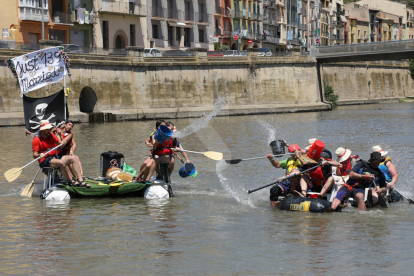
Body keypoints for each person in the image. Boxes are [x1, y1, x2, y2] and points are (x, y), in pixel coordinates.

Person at [32, 120, 89, 187]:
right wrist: (39, 155)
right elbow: (35, 155)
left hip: (55, 157)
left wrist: (62, 143)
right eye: (48, 129)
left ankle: (80, 180)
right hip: (44, 160)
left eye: (50, 128)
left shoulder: (51, 135)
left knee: (74, 158)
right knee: (61, 162)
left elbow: (60, 144)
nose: (49, 130)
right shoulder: (36, 139)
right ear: (43, 130)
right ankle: (70, 181)